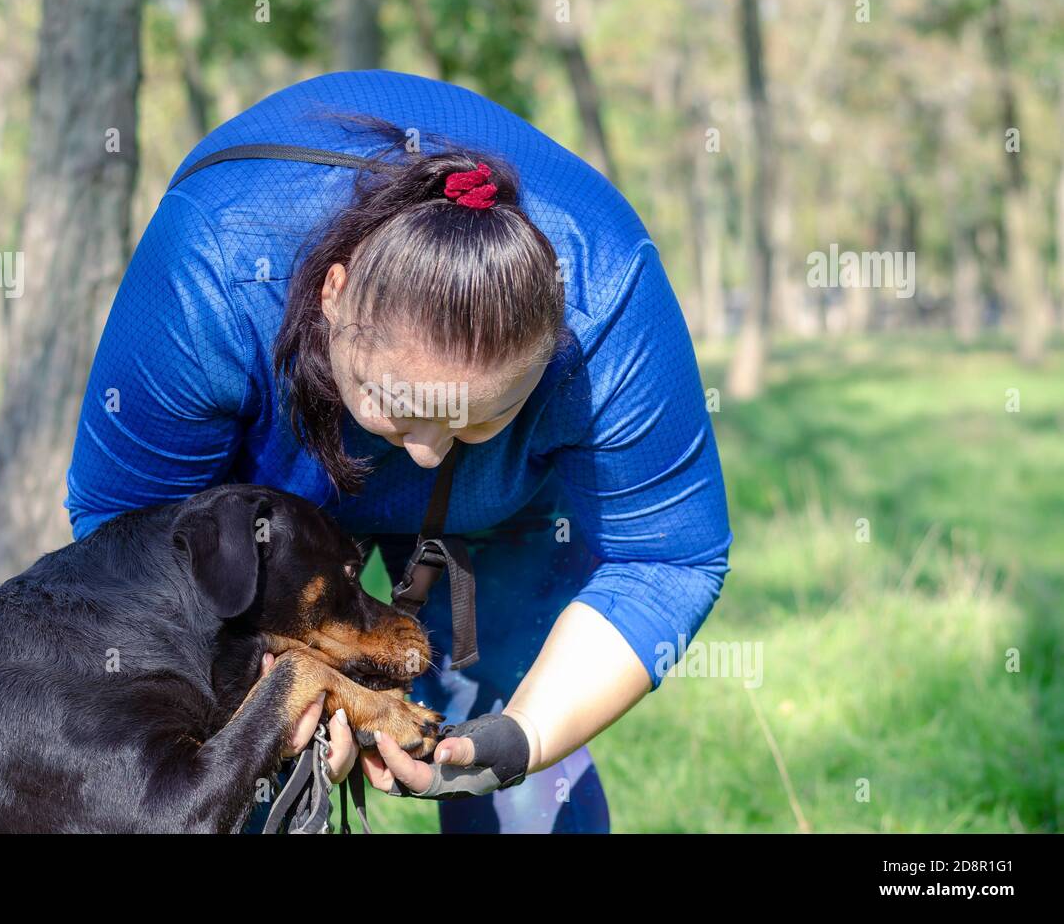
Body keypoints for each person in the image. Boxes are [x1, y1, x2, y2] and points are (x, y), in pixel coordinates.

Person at [65, 71, 731, 833]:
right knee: (238, 761)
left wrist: (524, 736)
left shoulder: (608, 297)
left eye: (479, 417)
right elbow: (133, 538)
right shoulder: (209, 266)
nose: (423, 454)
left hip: (503, 510)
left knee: (505, 719)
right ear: (334, 295)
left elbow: (668, 560)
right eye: (398, 407)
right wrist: (285, 689)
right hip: (268, 478)